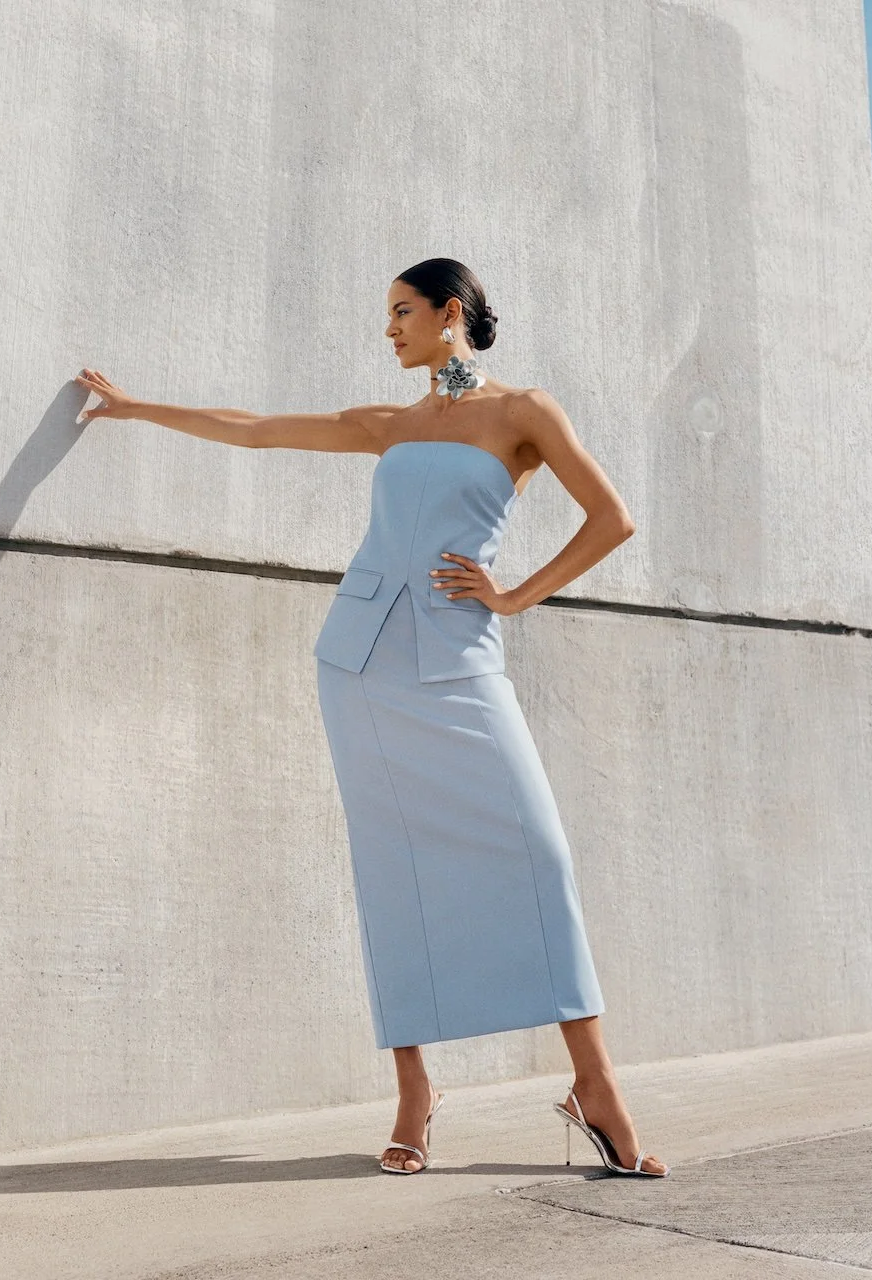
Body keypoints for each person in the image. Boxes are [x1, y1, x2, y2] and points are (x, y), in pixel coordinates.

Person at [74, 256, 669, 1179]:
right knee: (393, 871)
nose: (388, 329)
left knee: (540, 853)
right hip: (359, 664)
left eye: (401, 311)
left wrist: (515, 597)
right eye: (386, 315)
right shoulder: (390, 425)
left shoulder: (524, 412)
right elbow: (256, 431)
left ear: (450, 312)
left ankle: (594, 1083)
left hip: (461, 659)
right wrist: (136, 407)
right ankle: (414, 1092)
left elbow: (612, 520)